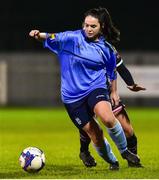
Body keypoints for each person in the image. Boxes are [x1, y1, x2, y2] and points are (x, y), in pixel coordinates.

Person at [29, 7, 140, 170]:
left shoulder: (106, 48)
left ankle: (125, 152)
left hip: (95, 88)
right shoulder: (71, 38)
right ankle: (112, 161)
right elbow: (50, 37)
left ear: (101, 26)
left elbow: (112, 71)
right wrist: (38, 35)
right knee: (96, 135)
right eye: (86, 25)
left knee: (107, 118)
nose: (88, 29)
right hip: (72, 97)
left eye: (93, 26)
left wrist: (114, 92)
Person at [79, 50, 146, 168]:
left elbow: (121, 68)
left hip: (107, 93)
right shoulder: (83, 47)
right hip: (87, 92)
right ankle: (84, 152)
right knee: (90, 126)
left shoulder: (109, 49)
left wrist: (131, 84)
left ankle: (133, 160)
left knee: (128, 129)